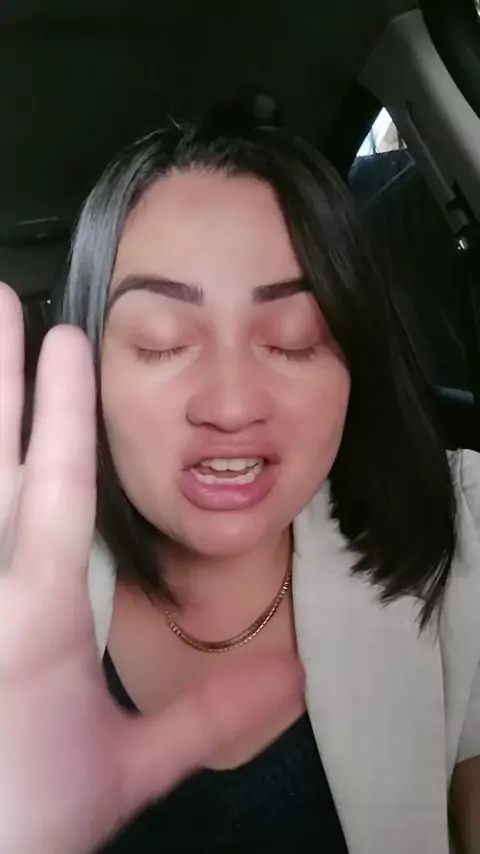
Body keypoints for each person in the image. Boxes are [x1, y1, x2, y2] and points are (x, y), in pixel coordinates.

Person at [0, 112, 479, 854]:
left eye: (293, 339)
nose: (229, 406)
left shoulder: (462, 526)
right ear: (90, 370)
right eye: (162, 343)